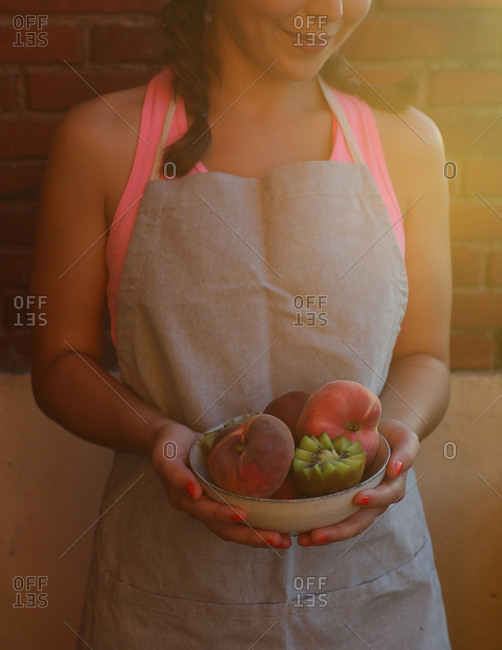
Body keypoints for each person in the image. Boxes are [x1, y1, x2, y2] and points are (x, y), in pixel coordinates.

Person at [31, 1, 452, 647]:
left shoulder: (408, 143)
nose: (330, 9)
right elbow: (60, 364)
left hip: (374, 594)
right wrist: (158, 434)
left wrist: (391, 442)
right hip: (171, 597)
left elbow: (426, 355)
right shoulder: (104, 137)